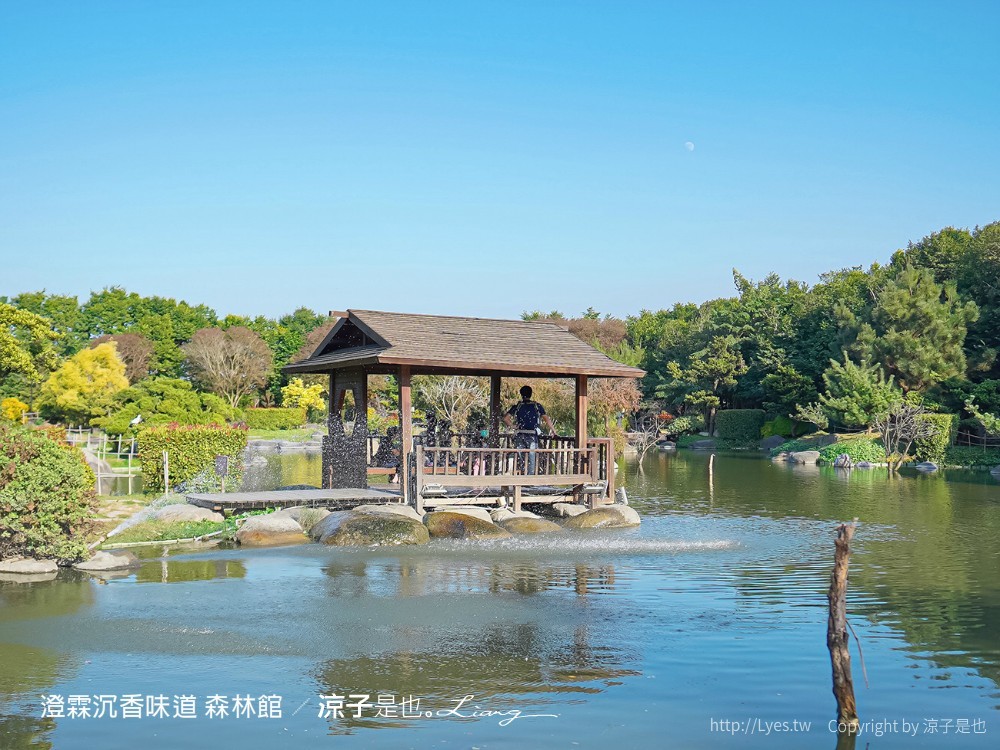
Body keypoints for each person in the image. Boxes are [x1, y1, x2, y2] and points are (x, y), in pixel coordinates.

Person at [503, 385, 556, 474]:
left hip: (520, 434)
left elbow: (505, 418)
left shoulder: (518, 406)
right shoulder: (536, 406)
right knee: (532, 457)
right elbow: (546, 419)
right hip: (532, 435)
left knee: (521, 458)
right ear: (531, 394)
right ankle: (529, 479)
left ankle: (522, 476)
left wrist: (513, 426)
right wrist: (554, 430)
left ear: (521, 394)